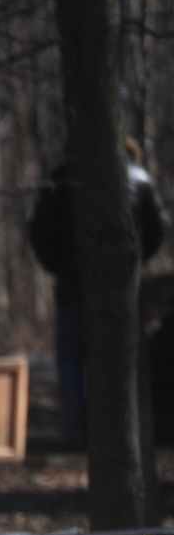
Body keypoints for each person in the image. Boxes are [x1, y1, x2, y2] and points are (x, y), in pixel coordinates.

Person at [28, 137, 170, 449]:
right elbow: (159, 228)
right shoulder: (137, 178)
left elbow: (39, 230)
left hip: (73, 286)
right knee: (118, 360)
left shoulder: (62, 177)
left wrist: (59, 265)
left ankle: (77, 433)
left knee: (71, 362)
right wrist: (134, 260)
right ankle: (118, 432)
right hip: (118, 288)